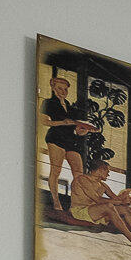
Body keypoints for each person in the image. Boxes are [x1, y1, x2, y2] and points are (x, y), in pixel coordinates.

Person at [40, 75, 96, 207]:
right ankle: (56, 202)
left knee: (79, 173)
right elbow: (43, 121)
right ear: (53, 88)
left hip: (71, 140)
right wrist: (62, 122)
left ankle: (75, 205)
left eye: (65, 89)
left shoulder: (71, 108)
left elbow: (77, 129)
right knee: (56, 170)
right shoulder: (48, 102)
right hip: (56, 137)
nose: (63, 92)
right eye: (60, 88)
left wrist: (85, 131)